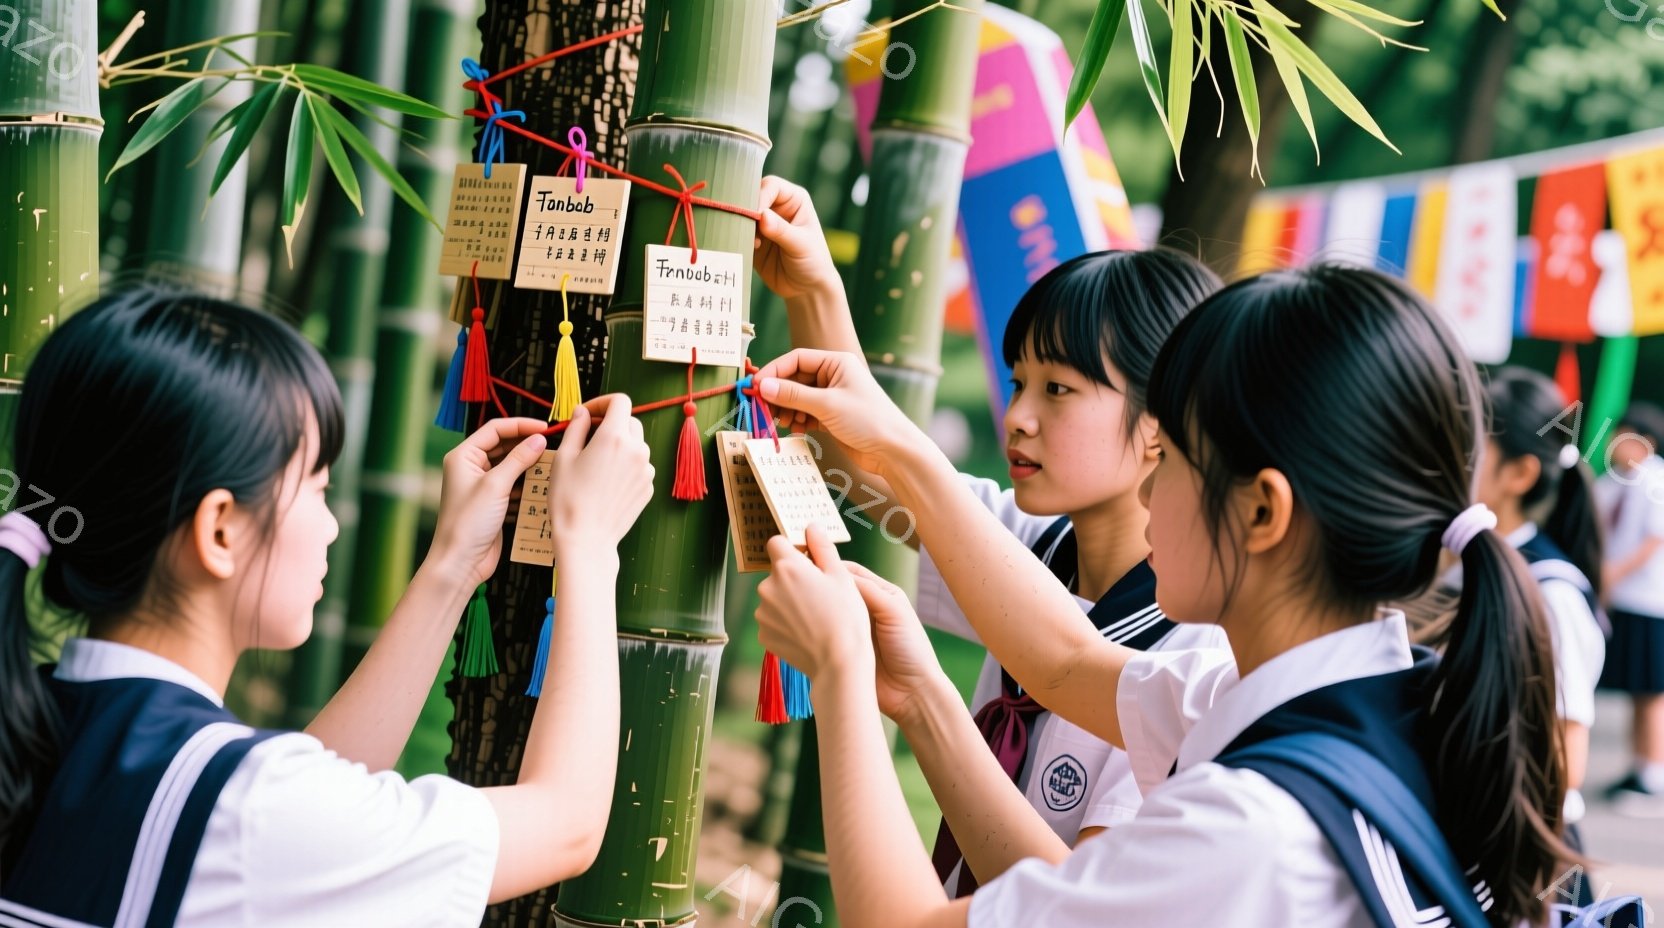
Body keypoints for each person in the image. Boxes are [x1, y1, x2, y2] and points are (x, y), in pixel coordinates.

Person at [751, 265, 1571, 927]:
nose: (1148, 497)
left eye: (1171, 458)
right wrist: (922, 684)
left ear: (1261, 510)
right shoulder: (1378, 709)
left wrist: (841, 671)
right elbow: (1068, 662)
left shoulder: (1244, 834)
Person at [0, 288, 655, 926]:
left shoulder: (35, 728)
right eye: (317, 487)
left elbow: (312, 797)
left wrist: (453, 566)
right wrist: (589, 545)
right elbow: (565, 824)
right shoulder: (255, 812)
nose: (332, 526)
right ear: (220, 530)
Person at [752, 177, 1228, 893]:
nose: (1018, 417)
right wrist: (811, 287)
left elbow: (1078, 904)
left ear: (1161, 421)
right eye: (1017, 383)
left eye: (1058, 389)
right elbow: (873, 463)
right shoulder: (1036, 545)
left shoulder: (1194, 656)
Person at [1469, 368, 1605, 844]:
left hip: (1527, 846)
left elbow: (1565, 758)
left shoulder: (1552, 594)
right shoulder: (1469, 562)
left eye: (1470, 448)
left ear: (1520, 473)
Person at [1597, 400, 1664, 812]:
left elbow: (1653, 540)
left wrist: (1614, 572)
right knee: (1637, 690)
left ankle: (1653, 773)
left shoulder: (1656, 480)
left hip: (1652, 600)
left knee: (1653, 690)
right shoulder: (1612, 483)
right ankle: (1639, 766)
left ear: (1647, 442)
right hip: (1624, 600)